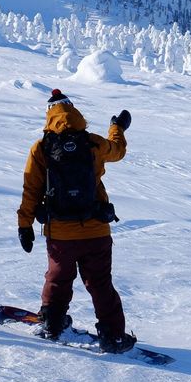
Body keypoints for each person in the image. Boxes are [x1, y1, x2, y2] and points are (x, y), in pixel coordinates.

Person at [17, 89, 135, 353]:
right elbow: (117, 151)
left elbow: (31, 189)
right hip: (96, 229)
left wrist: (24, 225)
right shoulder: (92, 142)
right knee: (101, 283)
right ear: (75, 113)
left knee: (58, 279)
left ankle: (52, 323)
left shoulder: (42, 147)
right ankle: (114, 337)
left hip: (60, 233)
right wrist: (117, 127)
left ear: (50, 116)